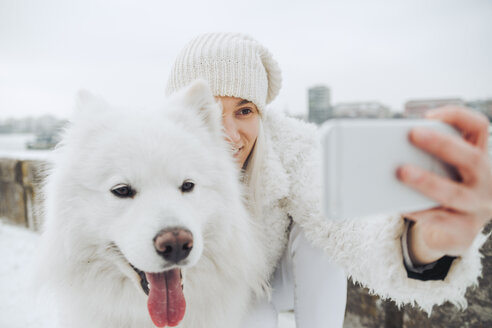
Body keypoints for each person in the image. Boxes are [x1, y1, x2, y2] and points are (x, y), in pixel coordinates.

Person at [165, 33, 492, 327]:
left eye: (244, 111)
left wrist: (422, 244)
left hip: (273, 276)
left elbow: (343, 223)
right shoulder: (160, 156)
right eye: (208, 111)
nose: (230, 134)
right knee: (253, 316)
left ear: (261, 113)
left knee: (317, 237)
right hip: (210, 284)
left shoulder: (290, 147)